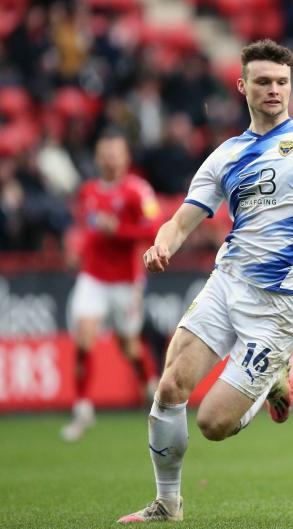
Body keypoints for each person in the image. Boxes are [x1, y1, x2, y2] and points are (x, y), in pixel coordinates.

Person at [118, 39, 293, 523]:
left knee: (213, 424)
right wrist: (162, 244)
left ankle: (271, 377)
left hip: (280, 306)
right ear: (242, 86)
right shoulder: (224, 156)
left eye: (282, 82)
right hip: (226, 283)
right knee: (169, 388)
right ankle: (167, 505)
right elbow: (182, 219)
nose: (274, 90)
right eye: (263, 81)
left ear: (291, 87)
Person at [61, 129, 160, 442]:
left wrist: (118, 228)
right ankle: (82, 408)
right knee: (84, 336)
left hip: (125, 282)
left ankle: (151, 389)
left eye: (115, 153)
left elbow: (153, 226)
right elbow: (87, 229)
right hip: (92, 277)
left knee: (129, 346)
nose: (109, 159)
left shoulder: (137, 190)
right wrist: (77, 250)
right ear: (97, 158)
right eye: (104, 153)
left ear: (126, 157)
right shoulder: (88, 190)